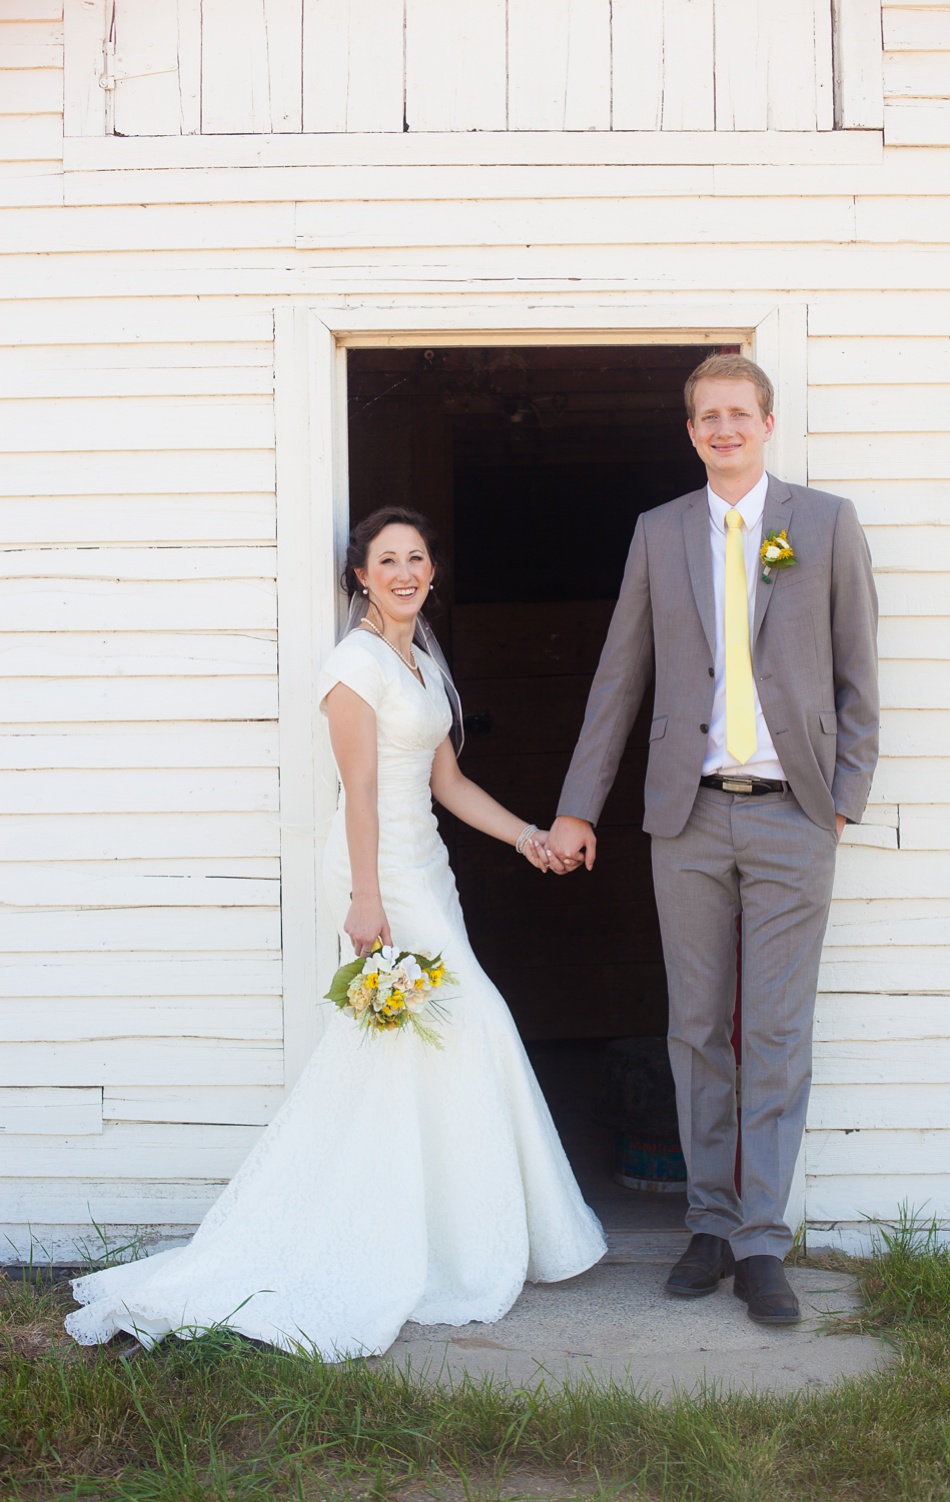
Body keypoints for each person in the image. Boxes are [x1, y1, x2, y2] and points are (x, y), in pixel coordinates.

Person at [66, 508, 606, 1360]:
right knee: (463, 1029)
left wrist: (527, 836)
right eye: (385, 559)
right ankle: (376, 1240)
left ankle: (441, 1235)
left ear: (433, 571)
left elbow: (450, 781)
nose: (402, 571)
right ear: (360, 575)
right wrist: (365, 899)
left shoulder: (421, 658)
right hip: (376, 873)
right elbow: (359, 791)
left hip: (427, 867)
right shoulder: (354, 665)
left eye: (416, 558)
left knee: (430, 1049)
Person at [546, 352, 879, 1326]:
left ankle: (761, 1242)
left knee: (774, 1033)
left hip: (793, 813)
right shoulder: (659, 535)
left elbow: (860, 667)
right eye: (706, 416)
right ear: (690, 430)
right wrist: (578, 803)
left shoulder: (819, 524)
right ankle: (707, 1221)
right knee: (695, 1027)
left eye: (739, 412)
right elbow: (619, 679)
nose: (723, 428)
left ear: (767, 423)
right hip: (684, 816)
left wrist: (844, 794)